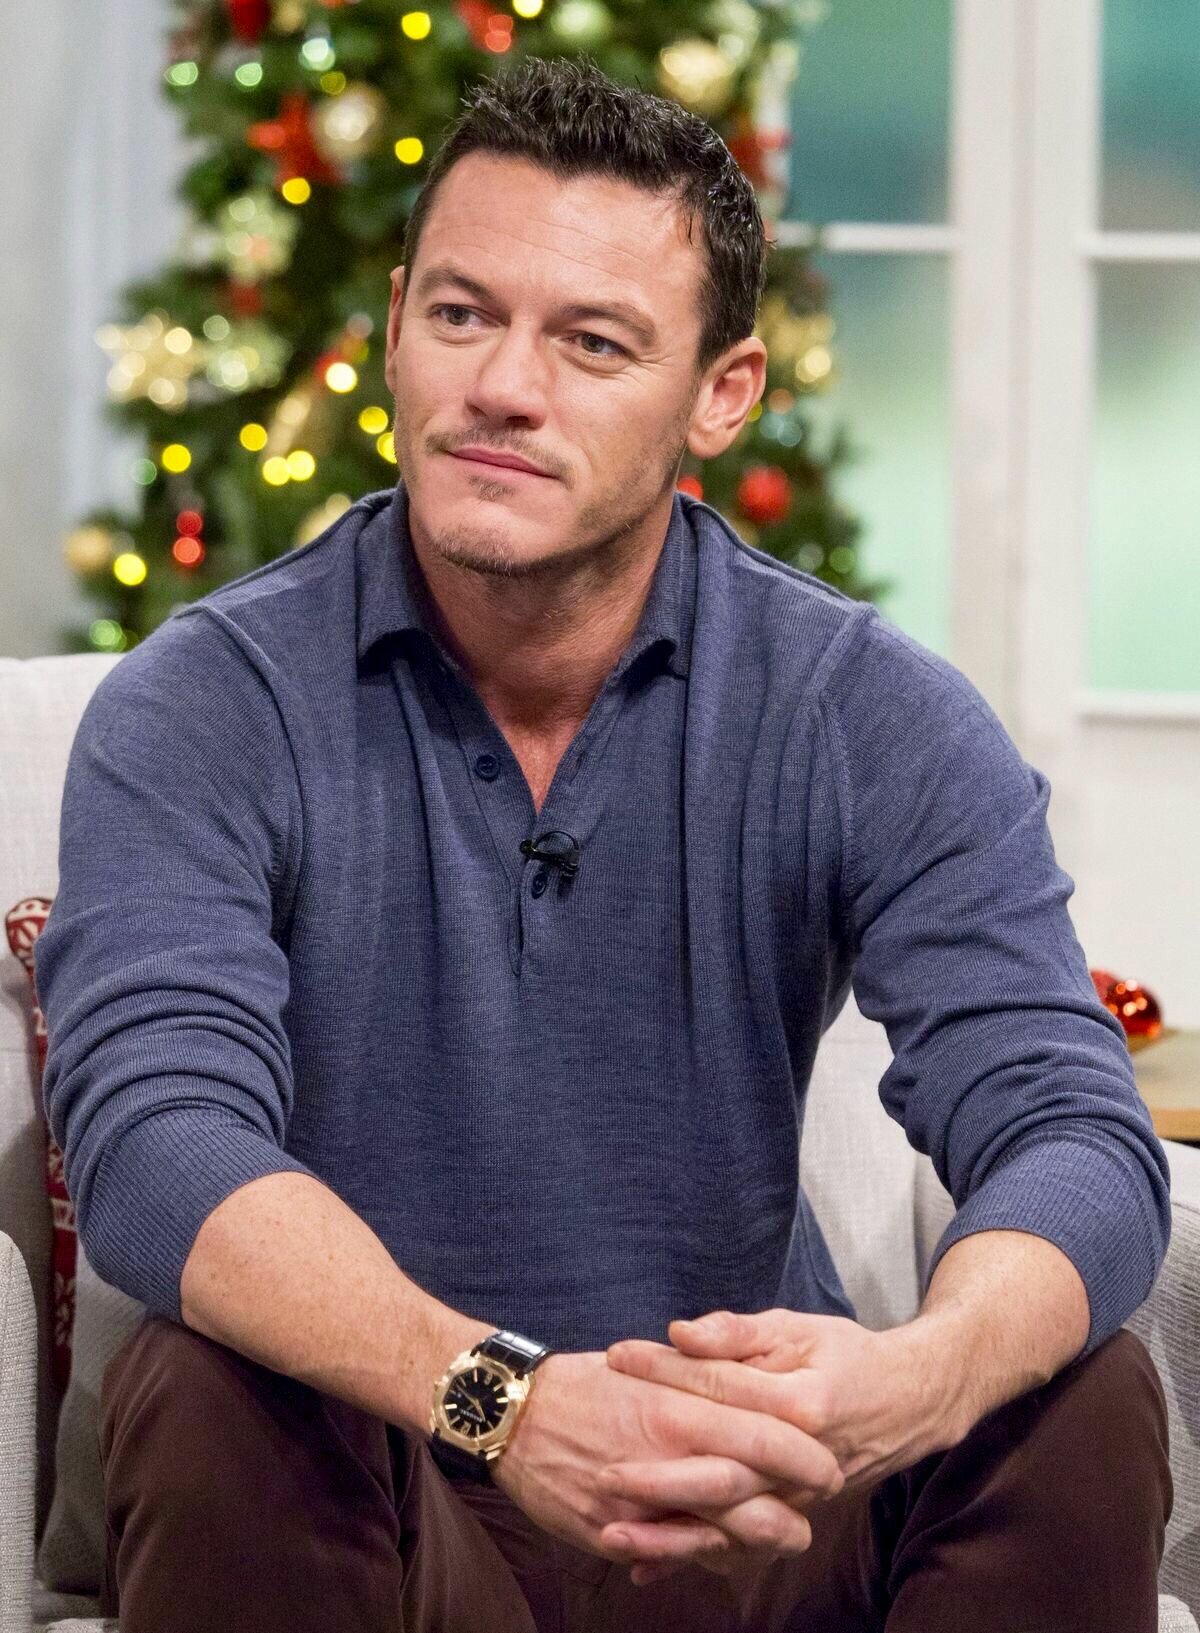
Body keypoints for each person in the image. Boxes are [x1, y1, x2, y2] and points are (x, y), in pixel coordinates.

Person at [36, 54, 1172, 1633]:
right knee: (209, 1384)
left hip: (760, 1515)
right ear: (395, 328)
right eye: (462, 314)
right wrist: (499, 1397)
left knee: (1084, 1393)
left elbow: (1076, 1130)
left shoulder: (867, 711)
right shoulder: (208, 703)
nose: (503, 386)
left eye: (593, 341)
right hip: (386, 1494)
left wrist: (911, 1380)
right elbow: (158, 1140)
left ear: (723, 393)